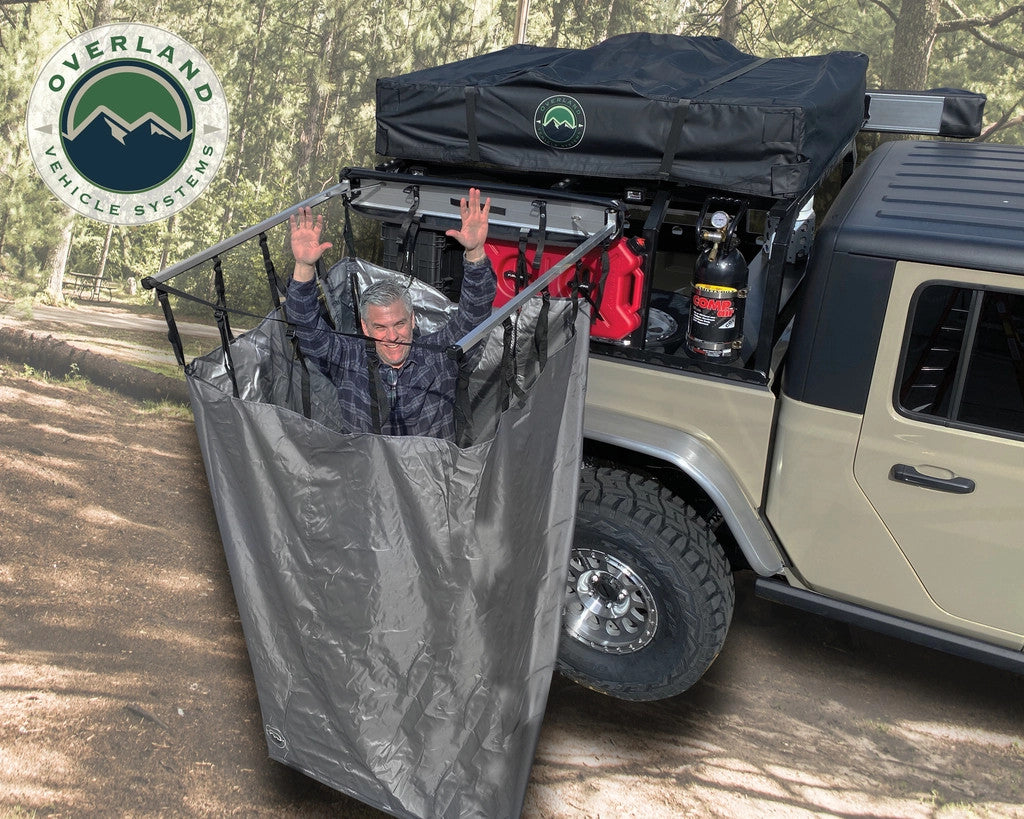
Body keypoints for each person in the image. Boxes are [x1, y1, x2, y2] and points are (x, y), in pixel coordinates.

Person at [285, 188, 496, 440]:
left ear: (413, 320)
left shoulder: (440, 355)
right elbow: (305, 326)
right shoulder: (348, 356)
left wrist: (475, 253)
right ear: (365, 328)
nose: (392, 336)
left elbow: (476, 311)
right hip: (367, 472)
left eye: (399, 324)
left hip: (429, 473)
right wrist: (304, 265)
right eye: (381, 327)